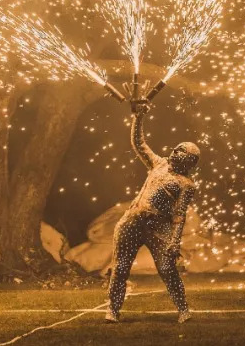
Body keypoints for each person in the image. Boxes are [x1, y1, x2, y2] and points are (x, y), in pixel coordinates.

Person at [106, 99, 199, 323]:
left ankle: (183, 309)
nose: (175, 152)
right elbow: (139, 143)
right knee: (119, 269)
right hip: (132, 222)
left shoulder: (186, 184)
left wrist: (175, 241)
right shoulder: (159, 164)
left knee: (168, 270)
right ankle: (112, 309)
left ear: (189, 161)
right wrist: (139, 116)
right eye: (178, 149)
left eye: (182, 152)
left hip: (158, 228)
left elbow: (179, 215)